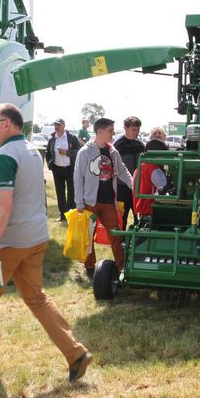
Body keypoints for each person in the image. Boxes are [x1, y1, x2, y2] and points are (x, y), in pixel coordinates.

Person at [0, 103, 92, 381]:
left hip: (7, 242)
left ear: (7, 123)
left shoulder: (4, 156)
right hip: (35, 239)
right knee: (37, 298)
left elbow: (3, 206)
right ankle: (76, 353)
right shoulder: (31, 150)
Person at [73, 117, 133, 278]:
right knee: (88, 236)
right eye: (110, 131)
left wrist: (134, 185)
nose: (112, 135)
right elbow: (78, 178)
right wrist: (79, 202)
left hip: (108, 203)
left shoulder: (113, 151)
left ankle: (121, 268)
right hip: (89, 202)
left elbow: (122, 171)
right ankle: (90, 267)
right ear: (100, 132)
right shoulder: (85, 152)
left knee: (116, 235)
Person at [45, 118, 81, 223]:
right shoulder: (52, 139)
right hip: (57, 169)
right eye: (55, 125)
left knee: (71, 193)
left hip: (70, 169)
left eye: (59, 125)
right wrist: (49, 164)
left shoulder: (71, 138)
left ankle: (71, 215)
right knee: (60, 193)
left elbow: (79, 151)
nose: (56, 126)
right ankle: (62, 215)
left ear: (64, 126)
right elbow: (48, 152)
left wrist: (67, 152)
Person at [113, 116, 145, 228]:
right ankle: (120, 243)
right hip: (122, 188)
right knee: (121, 219)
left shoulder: (140, 146)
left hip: (137, 189)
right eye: (133, 129)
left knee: (140, 219)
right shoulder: (118, 145)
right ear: (125, 128)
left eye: (138, 130)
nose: (136, 132)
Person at [133, 138, 170, 225]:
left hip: (141, 211)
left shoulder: (140, 167)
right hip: (150, 211)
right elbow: (165, 187)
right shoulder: (153, 168)